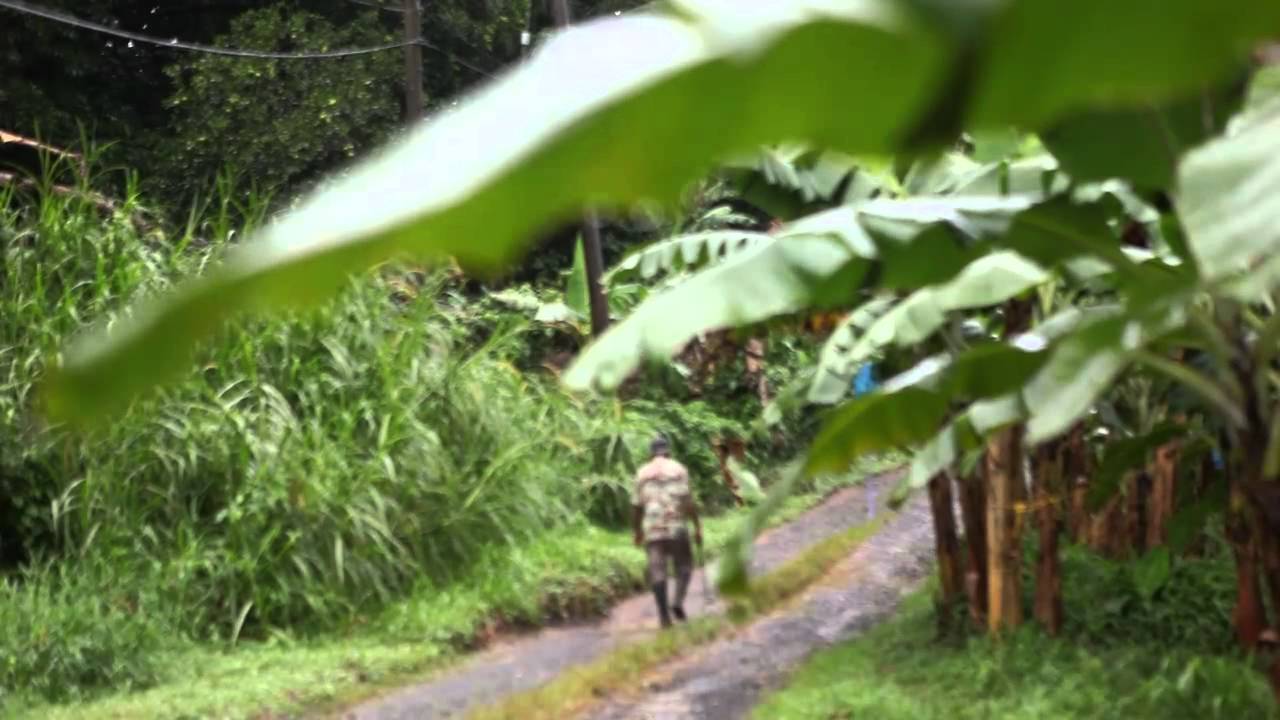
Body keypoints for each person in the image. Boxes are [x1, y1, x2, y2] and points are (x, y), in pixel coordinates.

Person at [632, 434, 702, 628]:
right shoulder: (679, 469)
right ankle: (677, 601)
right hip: (676, 525)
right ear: (668, 452)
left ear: (651, 453)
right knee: (684, 566)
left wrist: (637, 531)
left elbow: (636, 506)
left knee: (657, 570)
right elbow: (688, 502)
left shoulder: (642, 472)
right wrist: (697, 526)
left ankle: (664, 618)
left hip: (652, 528)